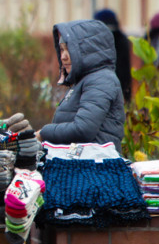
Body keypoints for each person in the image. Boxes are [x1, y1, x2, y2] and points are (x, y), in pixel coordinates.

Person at [36, 19, 125, 150]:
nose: (63, 57)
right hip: (82, 163)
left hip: (95, 166)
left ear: (88, 50)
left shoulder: (101, 80)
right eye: (61, 50)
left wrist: (44, 133)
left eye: (69, 49)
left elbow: (83, 129)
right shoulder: (84, 80)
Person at [93, 8, 132, 103]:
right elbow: (125, 71)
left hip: (100, 92)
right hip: (120, 89)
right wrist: (127, 96)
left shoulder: (96, 41)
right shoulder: (122, 40)